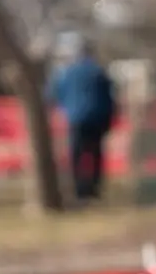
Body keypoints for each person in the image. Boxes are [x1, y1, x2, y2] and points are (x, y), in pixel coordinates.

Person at [47, 32, 117, 203]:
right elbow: (109, 97)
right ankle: (93, 188)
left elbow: (54, 94)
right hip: (97, 118)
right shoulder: (99, 72)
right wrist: (109, 118)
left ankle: (78, 189)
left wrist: (64, 109)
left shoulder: (67, 72)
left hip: (75, 118)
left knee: (76, 155)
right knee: (96, 153)